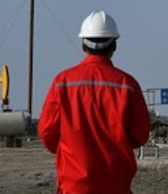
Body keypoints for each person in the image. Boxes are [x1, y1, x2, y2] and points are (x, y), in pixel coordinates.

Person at [38, 10, 151, 194]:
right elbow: (140, 135)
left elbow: (47, 132)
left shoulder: (62, 82)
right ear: (114, 46)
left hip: (74, 186)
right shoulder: (127, 85)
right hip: (116, 185)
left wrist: (70, 149)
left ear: (84, 45)